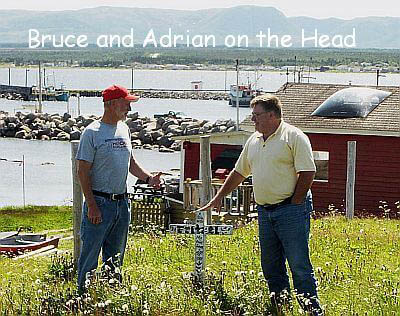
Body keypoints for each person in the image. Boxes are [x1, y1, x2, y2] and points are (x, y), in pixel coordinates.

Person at [199, 94, 323, 315]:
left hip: (290, 210)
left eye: (257, 115)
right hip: (265, 211)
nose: (253, 120)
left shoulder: (293, 136)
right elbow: (239, 172)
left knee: (298, 264)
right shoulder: (253, 141)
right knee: (270, 265)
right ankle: (280, 307)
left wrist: (295, 203)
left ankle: (311, 309)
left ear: (272, 115)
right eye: (252, 115)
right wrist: (219, 196)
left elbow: (308, 172)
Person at [76, 84, 161, 291]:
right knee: (90, 256)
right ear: (112, 104)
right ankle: (83, 296)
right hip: (100, 203)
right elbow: (82, 172)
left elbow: (130, 162)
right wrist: (92, 206)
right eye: (125, 104)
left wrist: (149, 178)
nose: (129, 110)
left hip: (122, 203)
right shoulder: (92, 133)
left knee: (115, 257)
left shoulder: (124, 129)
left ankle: (111, 295)